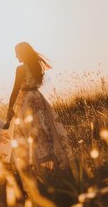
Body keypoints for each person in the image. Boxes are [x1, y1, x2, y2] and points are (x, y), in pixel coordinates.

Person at [5, 42, 72, 171]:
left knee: (27, 130)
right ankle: (47, 163)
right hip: (38, 98)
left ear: (22, 52)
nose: (15, 55)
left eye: (17, 52)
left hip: (26, 100)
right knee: (43, 130)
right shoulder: (36, 67)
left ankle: (31, 164)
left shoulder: (21, 69)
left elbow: (15, 89)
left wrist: (10, 108)